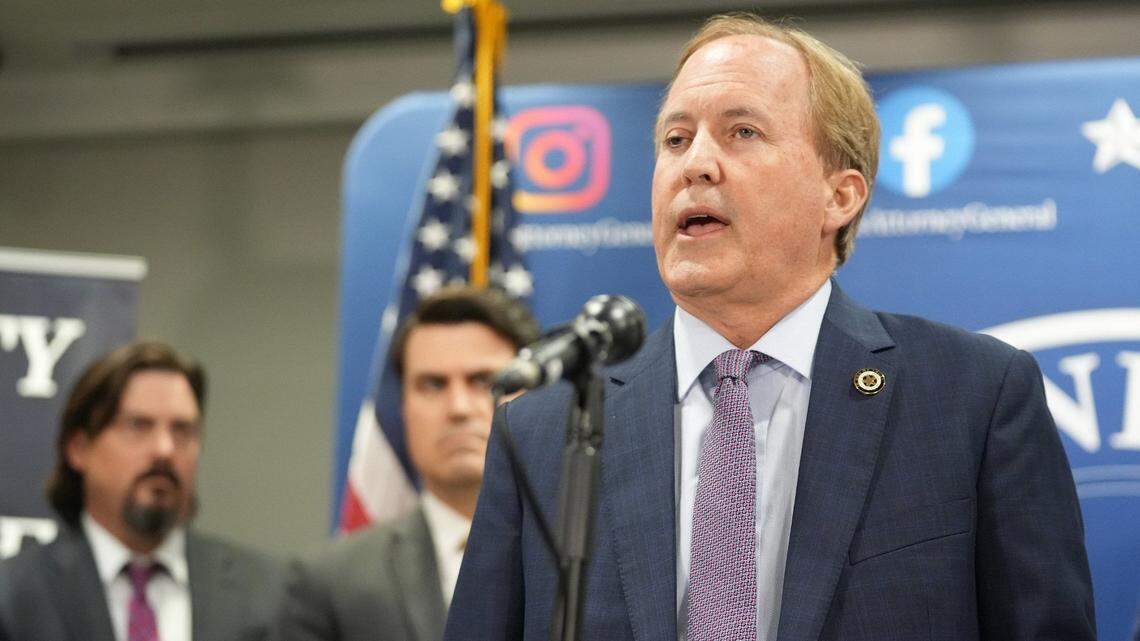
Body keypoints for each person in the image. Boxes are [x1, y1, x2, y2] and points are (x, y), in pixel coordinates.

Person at [443, 12, 1096, 641]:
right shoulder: (547, 429)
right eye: (675, 139)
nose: (695, 164)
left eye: (741, 132)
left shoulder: (973, 400)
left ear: (839, 195)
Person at [276, 286, 539, 641]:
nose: (458, 407)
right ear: (402, 408)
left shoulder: (586, 561)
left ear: (535, 393)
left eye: (484, 381)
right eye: (432, 384)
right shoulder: (328, 584)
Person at [0, 340, 285, 641]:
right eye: (139, 425)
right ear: (79, 448)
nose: (165, 449)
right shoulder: (14, 598)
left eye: (182, 430)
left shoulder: (267, 595)